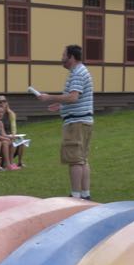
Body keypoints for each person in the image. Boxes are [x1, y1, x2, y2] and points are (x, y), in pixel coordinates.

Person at [30, 44, 92, 197]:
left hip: (76, 123)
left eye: (63, 55)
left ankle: (76, 196)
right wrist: (60, 105)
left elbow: (73, 97)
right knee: (82, 159)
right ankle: (85, 195)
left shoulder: (77, 73)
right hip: (83, 122)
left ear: (71, 57)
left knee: (75, 160)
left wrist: (48, 97)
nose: (61, 58)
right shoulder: (80, 71)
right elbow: (75, 98)